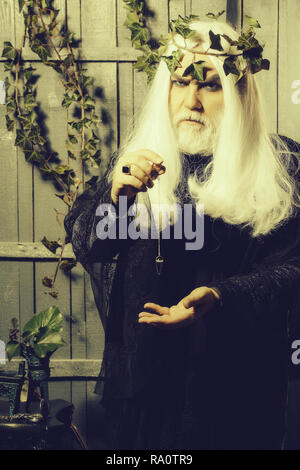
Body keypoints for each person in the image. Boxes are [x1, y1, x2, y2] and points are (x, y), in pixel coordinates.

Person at [64, 20, 300, 450]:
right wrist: (116, 197)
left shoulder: (282, 165)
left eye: (210, 86)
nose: (192, 101)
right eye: (179, 82)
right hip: (152, 381)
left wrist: (221, 295)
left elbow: (293, 267)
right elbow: (89, 245)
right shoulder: (134, 159)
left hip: (240, 387)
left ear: (238, 94)